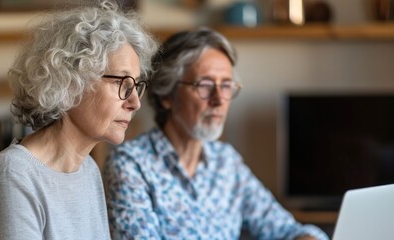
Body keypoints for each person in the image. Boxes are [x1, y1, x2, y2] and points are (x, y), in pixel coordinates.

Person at [103, 28, 329, 240]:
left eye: (227, 85)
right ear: (166, 95)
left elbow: (286, 229)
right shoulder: (129, 165)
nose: (219, 100)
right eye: (205, 85)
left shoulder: (226, 162)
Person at [0, 1, 158, 239]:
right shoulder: (13, 175)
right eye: (120, 83)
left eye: (136, 85)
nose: (135, 102)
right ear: (70, 83)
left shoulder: (87, 169)